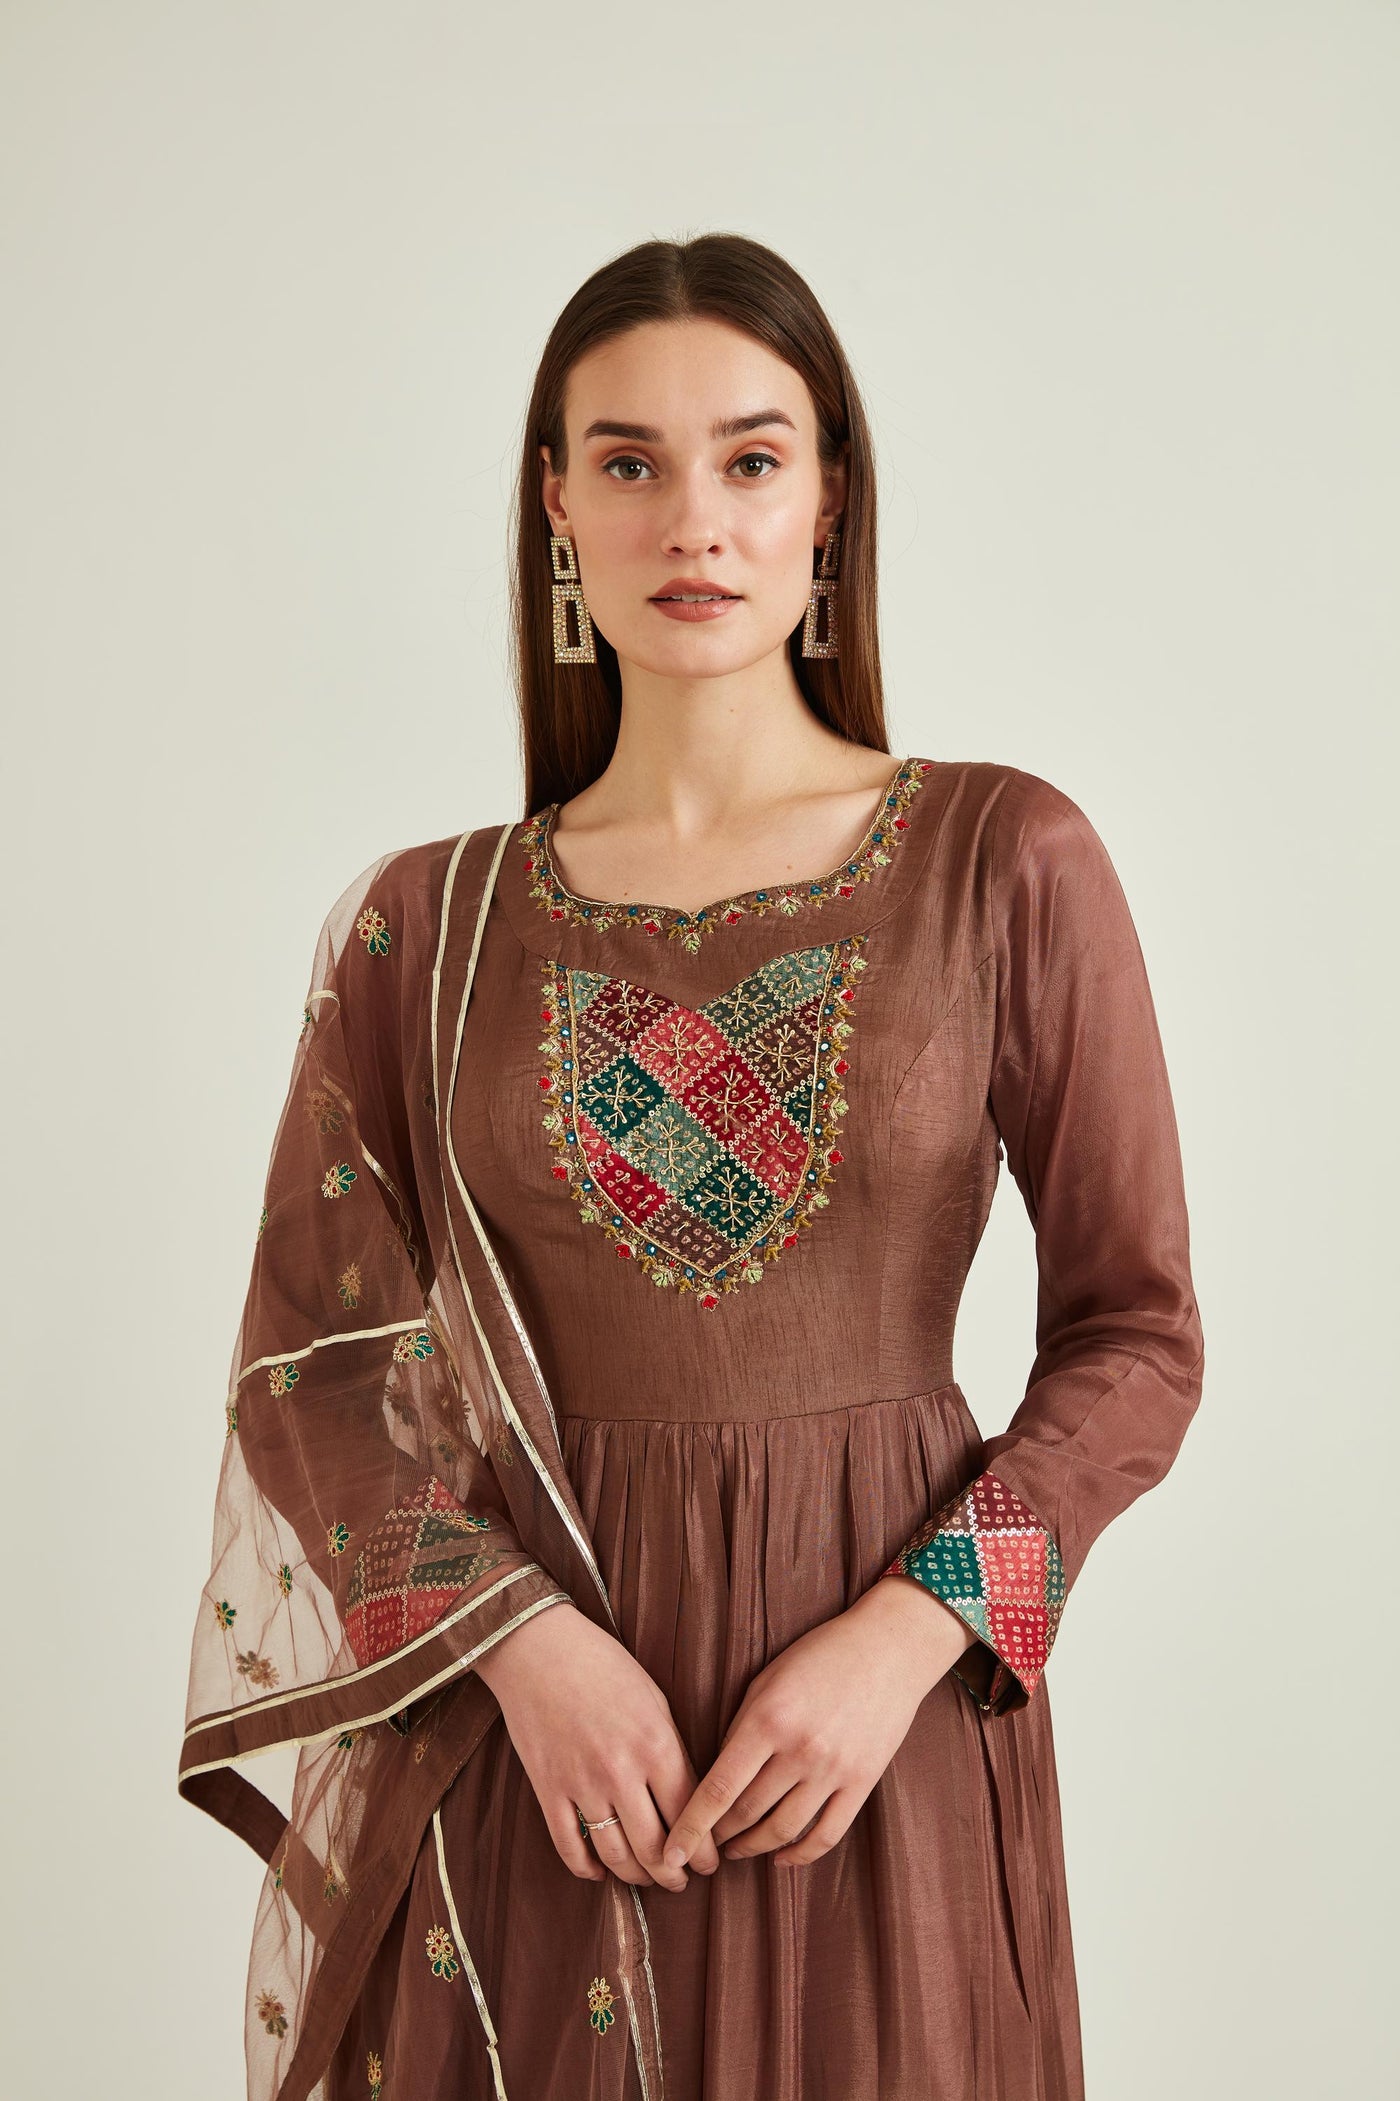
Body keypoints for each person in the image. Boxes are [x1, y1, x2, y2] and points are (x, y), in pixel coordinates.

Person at [179, 232, 1205, 2101]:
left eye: (750, 458)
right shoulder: (430, 929)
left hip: (881, 1758)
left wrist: (910, 1635)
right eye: (631, 462)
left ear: (831, 501)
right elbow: (311, 1381)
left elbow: (1138, 1341)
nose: (695, 521)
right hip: (542, 1773)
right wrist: (520, 1654)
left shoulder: (1006, 863)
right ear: (557, 506)